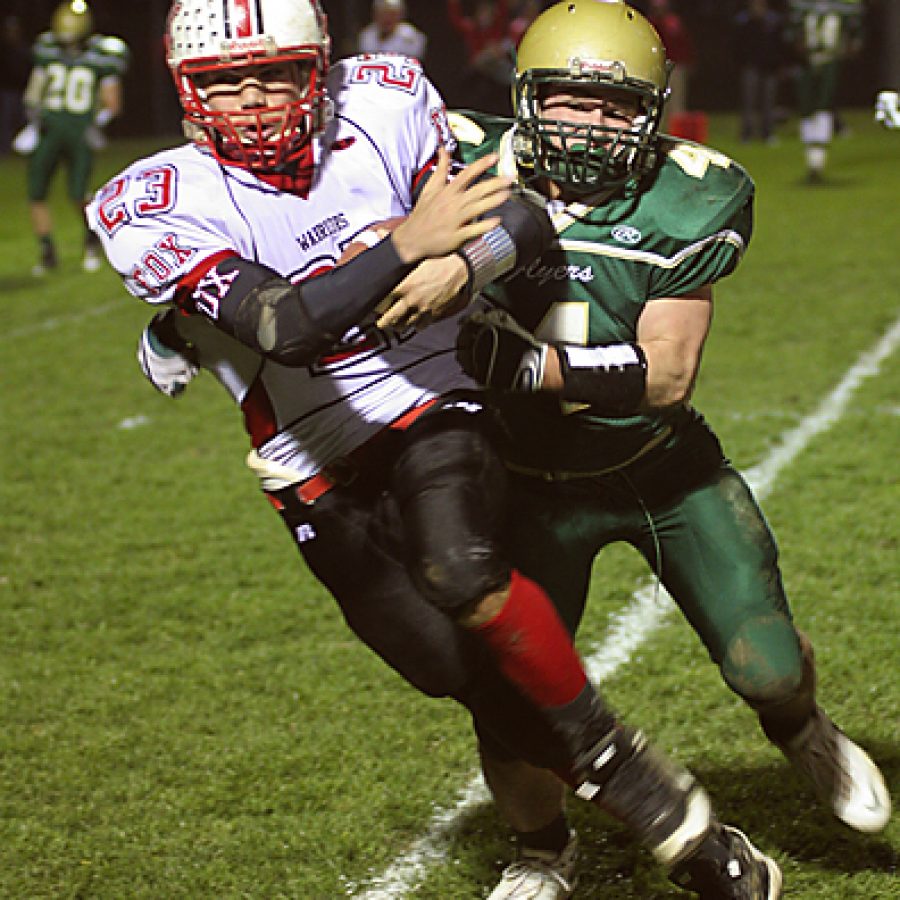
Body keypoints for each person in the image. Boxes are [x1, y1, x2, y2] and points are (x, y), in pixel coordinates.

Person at [92, 2, 783, 897]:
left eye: (278, 73)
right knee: (454, 673)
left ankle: (655, 807)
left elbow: (526, 222)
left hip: (434, 397)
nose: (255, 99)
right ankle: (655, 809)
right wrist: (404, 247)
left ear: (323, 68)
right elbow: (281, 324)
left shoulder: (384, 103)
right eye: (227, 81)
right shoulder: (149, 198)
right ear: (186, 89)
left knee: (459, 570)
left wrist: (466, 262)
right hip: (310, 459)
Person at [437, 1, 891, 896]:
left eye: (618, 108)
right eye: (572, 102)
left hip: (660, 470)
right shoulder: (455, 160)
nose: (593, 126)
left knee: (764, 668)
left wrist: (526, 371)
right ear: (528, 100)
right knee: (515, 703)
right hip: (526, 491)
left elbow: (667, 373)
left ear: (653, 113)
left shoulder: (691, 192)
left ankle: (800, 730)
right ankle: (541, 852)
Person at [17, 1, 128, 275]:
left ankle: (92, 238)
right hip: (50, 128)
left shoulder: (103, 53)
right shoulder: (48, 49)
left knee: (79, 193)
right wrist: (31, 124)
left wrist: (96, 125)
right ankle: (47, 251)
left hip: (78, 131)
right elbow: (34, 92)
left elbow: (112, 103)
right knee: (36, 192)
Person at [786, 0, 865, 183]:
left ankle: (817, 159)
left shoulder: (843, 6)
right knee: (807, 107)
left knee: (823, 105)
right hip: (807, 59)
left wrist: (851, 46)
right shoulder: (803, 8)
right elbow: (791, 30)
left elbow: (856, 28)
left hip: (830, 58)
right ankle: (812, 157)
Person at [446, 0, 515, 115]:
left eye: (488, 14)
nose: (485, 17)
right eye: (482, 14)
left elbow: (503, 12)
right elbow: (456, 19)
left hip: (495, 69)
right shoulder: (471, 28)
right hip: (477, 69)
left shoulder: (496, 29)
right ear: (477, 14)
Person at [733, 0, 786, 143]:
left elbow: (779, 45)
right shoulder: (743, 22)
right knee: (749, 102)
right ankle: (747, 134)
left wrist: (779, 64)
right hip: (750, 67)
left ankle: (767, 133)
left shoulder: (773, 22)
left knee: (768, 103)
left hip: (769, 68)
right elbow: (737, 46)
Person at [646, 0, 694, 126]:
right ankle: (658, 130)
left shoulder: (673, 22)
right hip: (657, 67)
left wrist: (688, 62)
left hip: (676, 66)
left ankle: (677, 131)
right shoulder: (650, 24)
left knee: (677, 102)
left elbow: (684, 44)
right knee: (658, 102)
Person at [0, 15, 30, 156]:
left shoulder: (23, 48)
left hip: (22, 90)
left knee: (23, 121)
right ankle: (5, 149)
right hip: (7, 90)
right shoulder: (4, 49)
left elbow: (28, 68)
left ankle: (22, 151)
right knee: (5, 122)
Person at [358, 0, 427, 61]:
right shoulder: (366, 35)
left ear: (400, 15)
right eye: (382, 14)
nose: (387, 18)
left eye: (391, 14)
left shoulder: (411, 37)